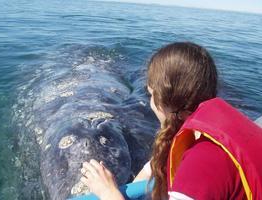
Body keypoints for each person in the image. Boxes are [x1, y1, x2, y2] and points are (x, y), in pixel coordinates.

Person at [81, 42, 262, 200]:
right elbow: (153, 166)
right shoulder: (222, 129)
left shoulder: (202, 163)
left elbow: (201, 172)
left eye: (151, 95)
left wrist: (109, 193)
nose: (150, 102)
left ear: (162, 99)